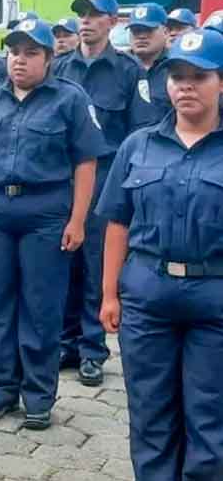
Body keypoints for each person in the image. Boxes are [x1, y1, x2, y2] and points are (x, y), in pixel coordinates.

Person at [0, 19, 105, 430]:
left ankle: (39, 394)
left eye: (30, 53)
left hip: (46, 213)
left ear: (49, 58)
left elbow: (85, 161)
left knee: (42, 308)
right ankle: (2, 387)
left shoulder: (69, 100)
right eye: (13, 52)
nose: (19, 60)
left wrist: (78, 220)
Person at [96, 28, 223, 481]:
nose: (185, 86)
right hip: (148, 295)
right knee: (150, 411)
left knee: (210, 417)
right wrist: (109, 294)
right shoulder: (139, 145)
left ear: (221, 82)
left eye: (199, 77)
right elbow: (116, 222)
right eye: (178, 77)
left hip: (214, 298)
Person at [53, 0, 143, 387]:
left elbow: (139, 132)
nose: (86, 21)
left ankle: (93, 348)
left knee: (95, 265)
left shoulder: (128, 71)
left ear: (112, 22)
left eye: (94, 14)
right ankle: (66, 342)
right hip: (65, 179)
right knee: (64, 262)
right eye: (81, 14)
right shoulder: (60, 68)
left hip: (107, 178)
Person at [127, 3, 173, 131]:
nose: (141, 36)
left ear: (166, 32)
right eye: (136, 31)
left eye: (148, 29)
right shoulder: (118, 68)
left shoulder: (177, 69)